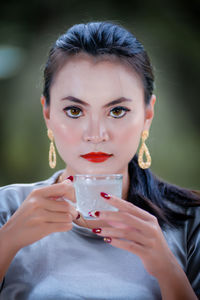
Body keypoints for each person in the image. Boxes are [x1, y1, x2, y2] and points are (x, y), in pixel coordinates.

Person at [0, 21, 199, 300]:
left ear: (148, 114)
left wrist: (168, 270)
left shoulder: (191, 221)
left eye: (117, 110)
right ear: (47, 113)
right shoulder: (6, 210)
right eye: (73, 110)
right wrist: (6, 243)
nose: (96, 134)